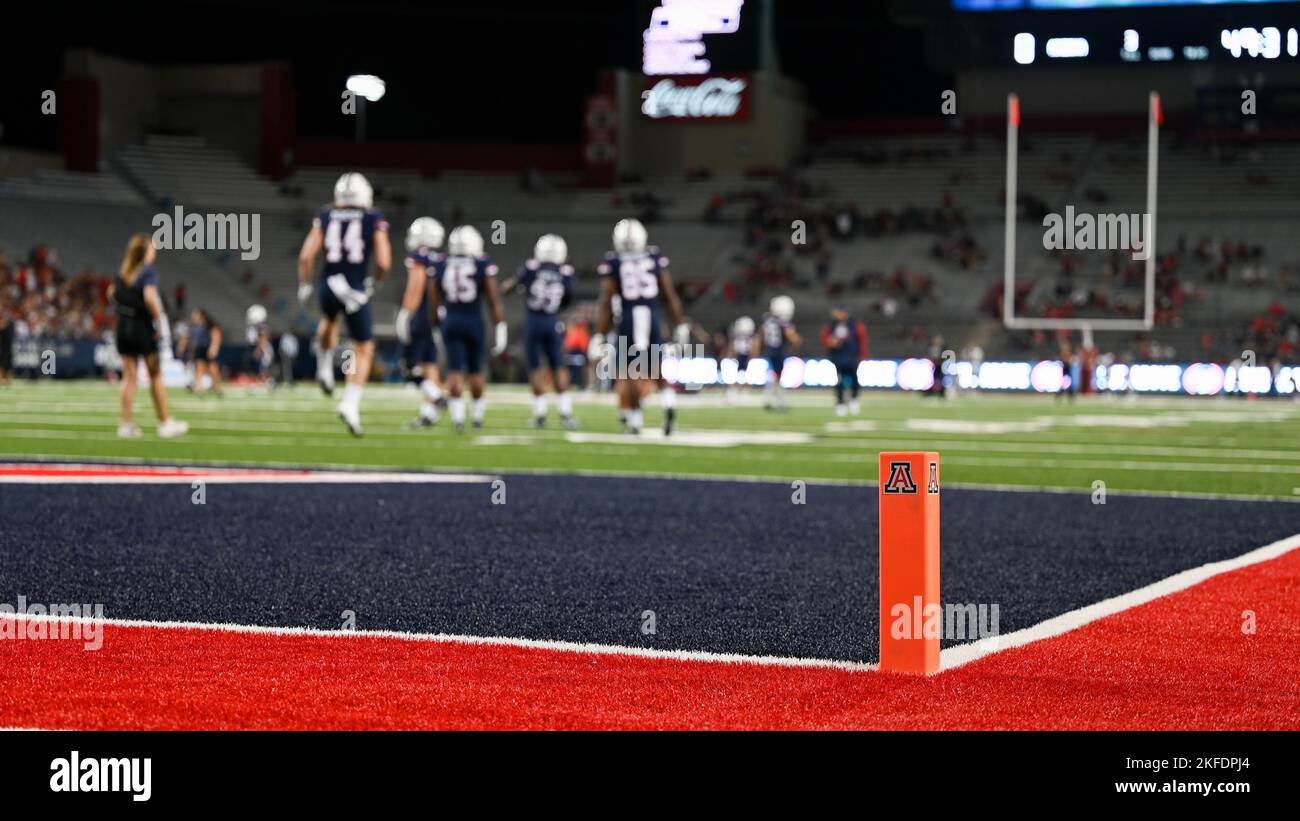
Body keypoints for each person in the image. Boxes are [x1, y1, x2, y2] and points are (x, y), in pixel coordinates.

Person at [297, 172, 392, 436]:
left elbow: (306, 257)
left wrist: (305, 284)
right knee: (363, 348)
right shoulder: (373, 217)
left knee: (329, 320)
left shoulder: (326, 214)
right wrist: (377, 281)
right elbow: (384, 261)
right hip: (353, 289)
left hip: (329, 284)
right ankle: (350, 403)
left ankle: (325, 369)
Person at [592, 218, 688, 436]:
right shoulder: (653, 256)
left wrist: (599, 334)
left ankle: (635, 420)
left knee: (630, 371)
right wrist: (680, 323)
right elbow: (669, 294)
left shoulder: (614, 260)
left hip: (629, 316)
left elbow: (607, 301)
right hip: (652, 315)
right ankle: (669, 406)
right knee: (656, 367)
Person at [108, 233, 187, 438]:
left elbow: (110, 295)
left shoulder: (123, 273)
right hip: (141, 327)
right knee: (155, 374)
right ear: (144, 253)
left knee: (129, 377)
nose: (155, 252)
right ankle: (164, 422)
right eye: (152, 248)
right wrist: (158, 319)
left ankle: (125, 425)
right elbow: (149, 297)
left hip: (123, 326)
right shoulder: (148, 273)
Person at [428, 225, 506, 433]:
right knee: (476, 371)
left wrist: (435, 326)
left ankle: (458, 420)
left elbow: (433, 300)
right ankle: (477, 419)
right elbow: (493, 298)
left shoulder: (441, 263)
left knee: (454, 371)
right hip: (473, 321)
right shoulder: (482, 263)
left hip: (451, 321)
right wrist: (500, 326)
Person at [502, 234, 577, 429]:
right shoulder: (566, 272)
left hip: (534, 321)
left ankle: (540, 414)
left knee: (535, 368)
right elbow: (568, 299)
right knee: (558, 367)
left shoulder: (530, 268)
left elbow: (508, 287)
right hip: (552, 321)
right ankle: (565, 414)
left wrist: (518, 287)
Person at [395, 217, 447, 429]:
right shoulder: (443, 259)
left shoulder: (419, 258)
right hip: (441, 316)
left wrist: (405, 313)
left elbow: (416, 288)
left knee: (407, 365)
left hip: (423, 315)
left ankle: (436, 396)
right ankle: (429, 414)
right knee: (429, 364)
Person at [821, 306, 868, 415]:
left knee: (855, 380)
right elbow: (824, 339)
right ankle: (840, 403)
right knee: (839, 381)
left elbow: (862, 340)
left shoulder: (855, 325)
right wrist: (830, 343)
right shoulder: (831, 325)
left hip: (852, 357)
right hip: (838, 358)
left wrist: (862, 356)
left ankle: (854, 399)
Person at [760, 295, 800, 411]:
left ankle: (768, 399)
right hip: (778, 350)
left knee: (776, 376)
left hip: (770, 349)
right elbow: (792, 336)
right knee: (778, 376)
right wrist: (797, 340)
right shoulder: (782, 321)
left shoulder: (768, 320)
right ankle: (779, 401)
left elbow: (762, 334)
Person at [189, 308, 223, 397]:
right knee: (198, 368)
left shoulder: (209, 325)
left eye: (196, 314)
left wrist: (214, 347)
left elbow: (216, 335)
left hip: (208, 348)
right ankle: (200, 388)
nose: (194, 316)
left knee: (212, 368)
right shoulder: (195, 326)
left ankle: (216, 387)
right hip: (199, 349)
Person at [728, 315, 756, 399]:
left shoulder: (750, 339)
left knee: (744, 373)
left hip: (743, 357)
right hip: (740, 357)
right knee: (739, 373)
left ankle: (741, 388)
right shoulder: (739, 338)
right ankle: (738, 388)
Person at [0, 299, 14, 387]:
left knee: (6, 366)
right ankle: (5, 381)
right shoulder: (9, 324)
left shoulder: (9, 325)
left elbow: (2, 326)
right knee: (5, 365)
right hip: (5, 347)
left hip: (6, 348)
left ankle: (8, 381)